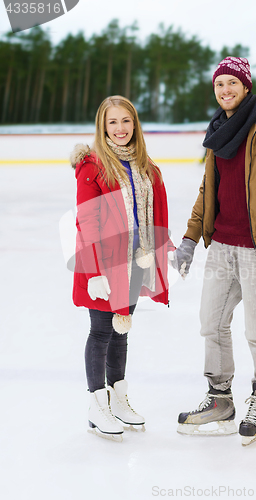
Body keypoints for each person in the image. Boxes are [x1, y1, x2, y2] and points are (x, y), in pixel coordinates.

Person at [172, 57, 256, 445]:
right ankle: (220, 399)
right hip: (222, 246)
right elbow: (208, 193)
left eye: (233, 83)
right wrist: (189, 239)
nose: (226, 90)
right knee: (210, 323)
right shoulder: (219, 131)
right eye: (219, 85)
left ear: (246, 86)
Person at [70, 95, 173, 441]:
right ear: (103, 126)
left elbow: (156, 215)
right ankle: (96, 403)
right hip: (103, 266)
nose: (120, 129)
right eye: (112, 122)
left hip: (134, 263)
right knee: (100, 332)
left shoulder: (145, 166)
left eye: (125, 121)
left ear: (135, 124)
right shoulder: (93, 166)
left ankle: (118, 399)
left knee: (121, 332)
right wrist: (95, 272)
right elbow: (87, 221)